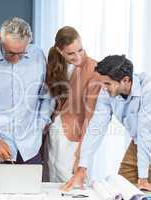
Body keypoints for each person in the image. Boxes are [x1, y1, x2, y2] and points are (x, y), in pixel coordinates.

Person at [62, 55, 151, 191]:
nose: (104, 88)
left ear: (125, 80)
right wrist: (82, 169)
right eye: (103, 83)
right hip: (137, 144)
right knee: (120, 190)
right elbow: (96, 127)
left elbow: (146, 131)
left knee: (149, 194)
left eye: (108, 84)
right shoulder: (107, 92)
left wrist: (143, 179)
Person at [0, 17, 54, 166]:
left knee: (32, 189)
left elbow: (46, 97)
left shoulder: (38, 55)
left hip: (30, 147)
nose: (15, 59)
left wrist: (40, 126)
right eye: (10, 53)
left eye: (21, 53)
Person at [44, 26, 101, 182]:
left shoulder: (94, 70)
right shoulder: (55, 63)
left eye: (80, 50)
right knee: (53, 183)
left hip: (73, 140)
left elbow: (91, 118)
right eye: (71, 53)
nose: (78, 57)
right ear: (60, 51)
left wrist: (81, 155)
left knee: (73, 186)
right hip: (54, 135)